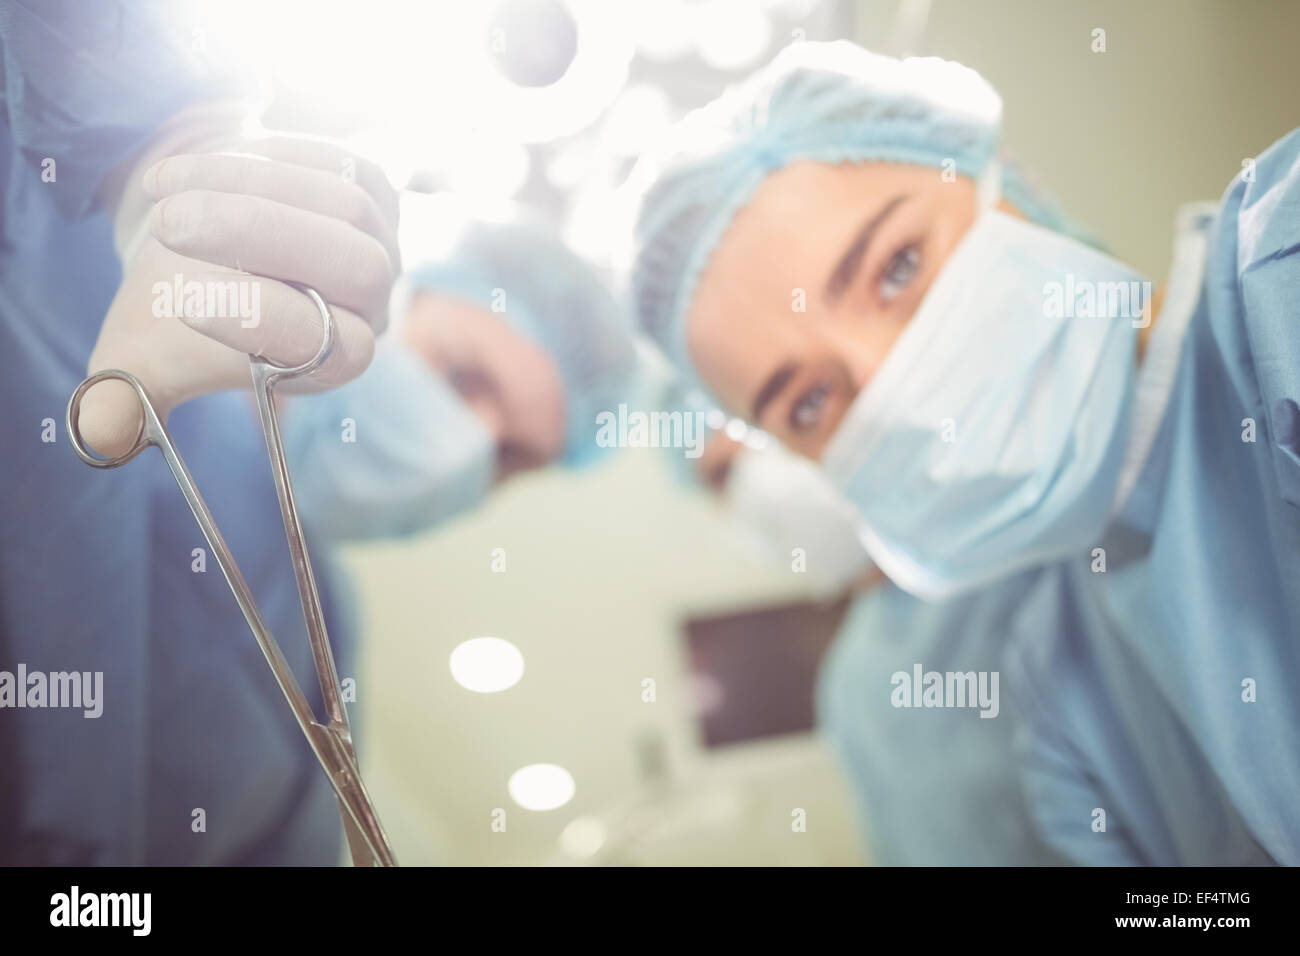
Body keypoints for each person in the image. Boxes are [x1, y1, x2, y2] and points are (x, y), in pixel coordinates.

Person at [624, 40, 1300, 864]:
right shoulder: (1059, 693)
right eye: (807, 402)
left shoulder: (1281, 284)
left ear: (1012, 181)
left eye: (898, 265)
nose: (889, 380)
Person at [0, 1, 399, 864]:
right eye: (476, 383)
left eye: (513, 457)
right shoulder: (121, 290)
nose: (467, 444)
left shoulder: (320, 612)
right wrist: (166, 134)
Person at [689, 429, 1055, 864]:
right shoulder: (852, 683)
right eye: (721, 476)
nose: (751, 482)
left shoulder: (1011, 556)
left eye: (750, 439)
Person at [281, 215, 638, 541]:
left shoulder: (297, 604)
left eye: (505, 456)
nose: (455, 450)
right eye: (461, 379)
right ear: (404, 297)